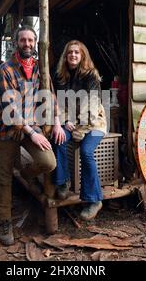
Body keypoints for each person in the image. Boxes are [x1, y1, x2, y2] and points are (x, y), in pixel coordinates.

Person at [0, 25, 66, 246]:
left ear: (35, 43)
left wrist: (58, 123)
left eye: (31, 40)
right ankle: (5, 222)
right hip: (6, 128)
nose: (27, 44)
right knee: (4, 179)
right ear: (16, 43)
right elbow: (10, 109)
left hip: (30, 126)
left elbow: (50, 96)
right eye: (23, 40)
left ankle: (24, 173)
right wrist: (32, 133)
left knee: (48, 162)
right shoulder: (5, 70)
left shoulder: (40, 69)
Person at [52, 40, 107, 221]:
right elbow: (59, 104)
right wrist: (66, 120)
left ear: (82, 55)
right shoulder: (62, 76)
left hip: (94, 123)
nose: (73, 55)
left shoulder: (91, 75)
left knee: (86, 151)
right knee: (59, 138)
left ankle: (94, 200)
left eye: (77, 52)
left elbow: (90, 107)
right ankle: (63, 182)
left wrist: (80, 129)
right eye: (70, 53)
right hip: (72, 122)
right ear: (66, 57)